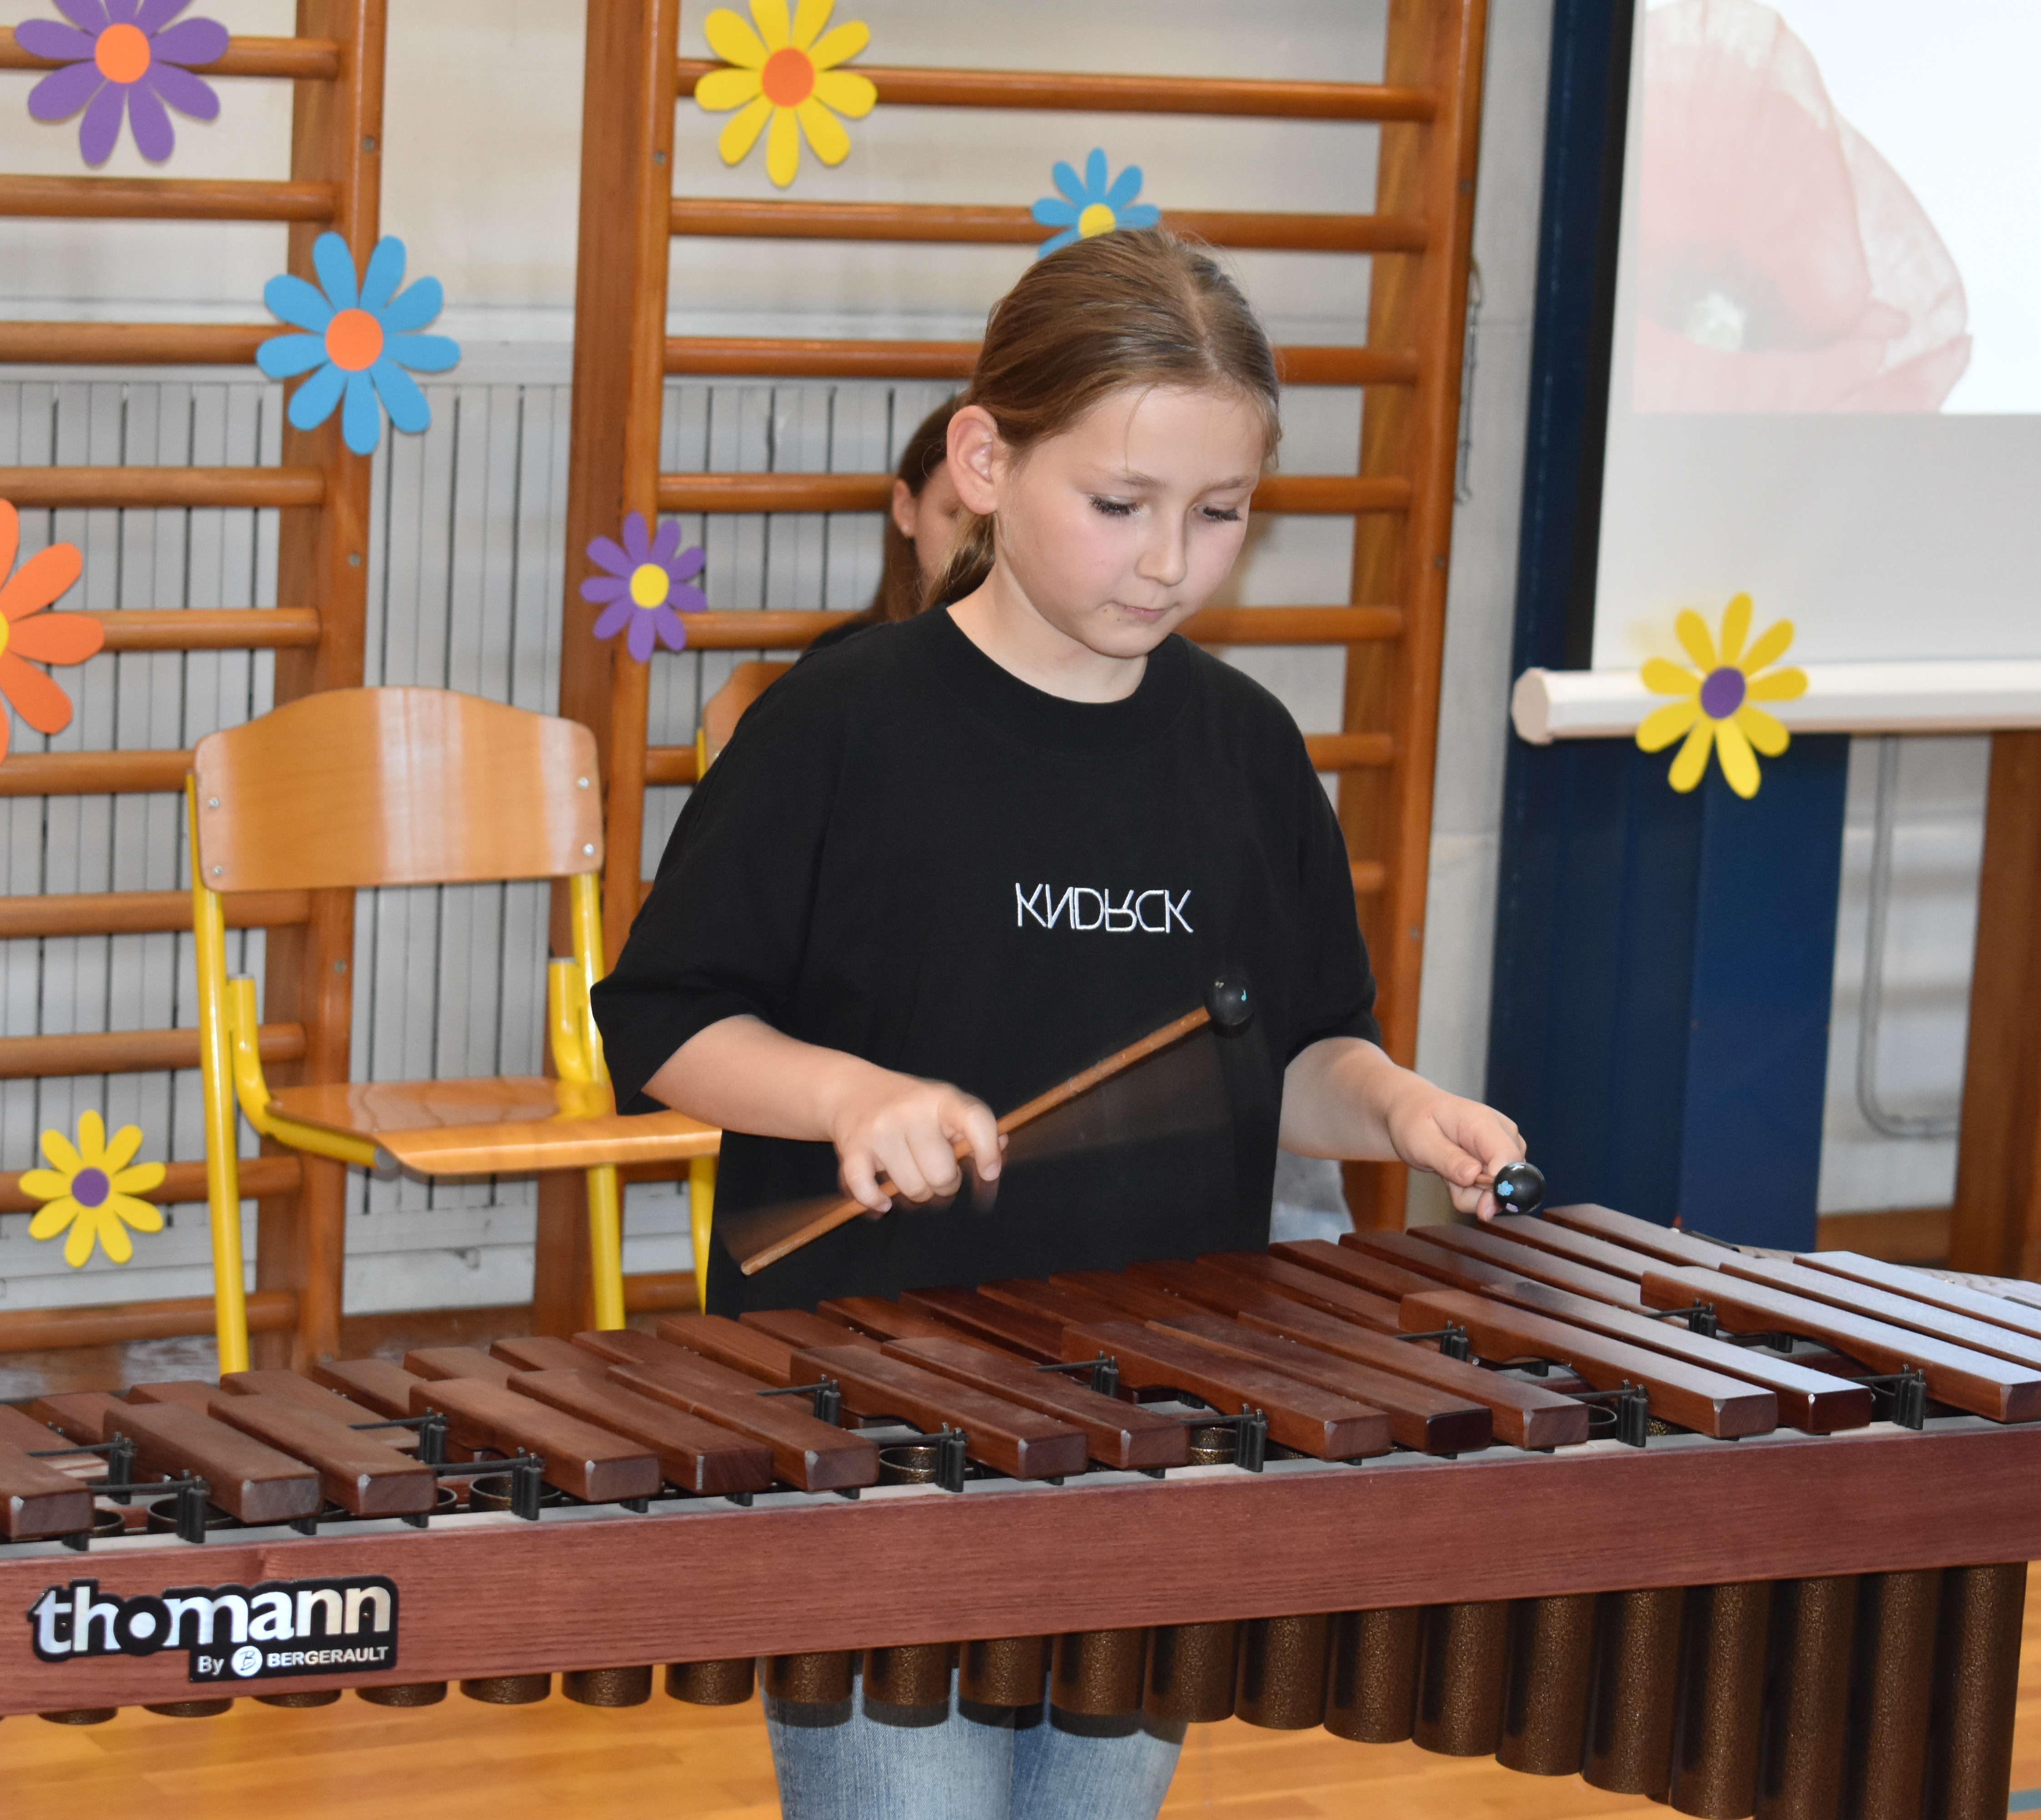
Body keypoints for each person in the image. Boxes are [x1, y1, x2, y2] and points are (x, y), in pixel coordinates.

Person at [591, 229, 1525, 1820]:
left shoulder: (1246, 752)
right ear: (985, 461)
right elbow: (664, 1020)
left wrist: (1393, 1108)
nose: (1169, 561)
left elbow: (1292, 1052)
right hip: (872, 1423)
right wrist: (845, 1095)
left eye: (1219, 514)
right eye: (1120, 505)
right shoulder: (835, 726)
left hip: (1153, 1422)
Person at [814, 396, 972, 652]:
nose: (983, 543)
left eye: (1000, 524)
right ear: (907, 510)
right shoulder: (843, 657)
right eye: (958, 517)